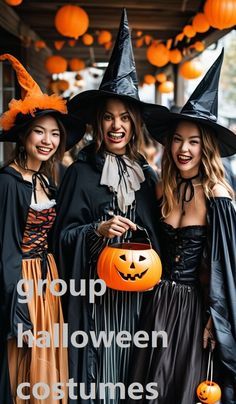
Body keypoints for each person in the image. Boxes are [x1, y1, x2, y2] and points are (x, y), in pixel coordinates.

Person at [54, 9, 168, 404]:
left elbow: (162, 236)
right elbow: (61, 238)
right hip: (95, 303)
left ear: (135, 123)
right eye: (108, 118)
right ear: (97, 124)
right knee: (101, 379)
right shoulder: (80, 172)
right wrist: (95, 232)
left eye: (124, 118)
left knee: (134, 377)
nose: (116, 126)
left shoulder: (147, 175)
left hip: (138, 302)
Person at [128, 50, 236, 404]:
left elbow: (225, 267)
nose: (183, 149)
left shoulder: (217, 194)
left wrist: (213, 319)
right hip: (156, 301)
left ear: (205, 147)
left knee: (181, 388)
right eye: (177, 139)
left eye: (193, 141)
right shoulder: (163, 188)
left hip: (193, 311)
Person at [0, 54, 85, 403]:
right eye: (39, 132)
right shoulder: (8, 182)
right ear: (24, 136)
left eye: (54, 133)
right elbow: (5, 250)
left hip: (47, 282)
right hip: (22, 283)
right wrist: (17, 308)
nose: (47, 140)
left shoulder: (47, 181)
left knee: (47, 365)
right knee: (24, 362)